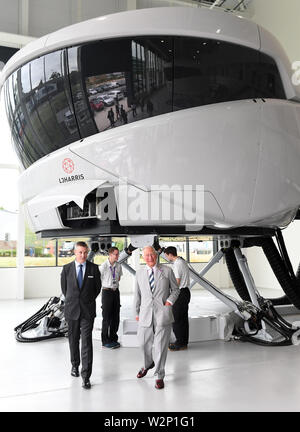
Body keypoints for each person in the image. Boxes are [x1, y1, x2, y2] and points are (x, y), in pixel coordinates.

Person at [135, 246, 180, 389]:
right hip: (145, 313)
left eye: (152, 255)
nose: (150, 258)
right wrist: (136, 313)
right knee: (143, 344)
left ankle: (159, 375)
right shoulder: (139, 273)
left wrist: (169, 302)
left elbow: (176, 289)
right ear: (143, 257)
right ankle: (147, 364)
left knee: (160, 346)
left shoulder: (167, 271)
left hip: (162, 313)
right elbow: (137, 295)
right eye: (147, 255)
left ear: (156, 255)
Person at [61, 241, 101, 389]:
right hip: (71, 311)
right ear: (75, 252)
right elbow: (65, 290)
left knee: (86, 343)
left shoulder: (94, 269)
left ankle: (86, 376)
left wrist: (86, 301)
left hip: (87, 311)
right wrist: (75, 301)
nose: (83, 255)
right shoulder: (66, 269)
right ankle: (74, 365)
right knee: (73, 340)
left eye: (85, 252)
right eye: (80, 252)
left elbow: (97, 289)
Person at [164, 246, 191, 351]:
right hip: (185, 292)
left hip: (180, 294)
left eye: (166, 256)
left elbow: (177, 281)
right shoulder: (182, 261)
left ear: (170, 254)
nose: (167, 258)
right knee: (183, 319)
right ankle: (183, 342)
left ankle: (179, 343)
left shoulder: (177, 264)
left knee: (177, 319)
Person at [99, 247, 123, 349]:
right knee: (107, 318)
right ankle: (105, 341)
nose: (117, 256)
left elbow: (118, 278)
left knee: (115, 317)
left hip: (115, 292)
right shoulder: (103, 266)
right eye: (115, 254)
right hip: (106, 292)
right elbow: (99, 280)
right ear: (110, 254)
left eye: (118, 254)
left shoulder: (118, 266)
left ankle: (113, 338)